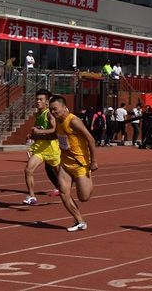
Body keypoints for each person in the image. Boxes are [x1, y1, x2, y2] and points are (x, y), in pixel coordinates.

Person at [48, 96, 98, 232]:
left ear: (64, 107)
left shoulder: (74, 121)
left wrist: (93, 161)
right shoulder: (57, 121)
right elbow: (55, 135)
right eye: (51, 110)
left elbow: (91, 140)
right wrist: (37, 135)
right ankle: (80, 221)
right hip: (65, 163)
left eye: (55, 109)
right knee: (64, 193)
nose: (53, 112)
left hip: (80, 163)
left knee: (84, 198)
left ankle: (88, 178)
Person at [22, 90, 60, 205]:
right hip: (40, 147)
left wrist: (39, 131)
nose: (38, 101)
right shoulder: (38, 114)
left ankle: (66, 189)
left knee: (61, 174)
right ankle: (32, 196)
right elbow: (40, 130)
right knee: (28, 170)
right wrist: (32, 135)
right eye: (37, 99)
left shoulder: (49, 114)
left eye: (41, 99)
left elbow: (55, 129)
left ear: (47, 102)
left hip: (51, 147)